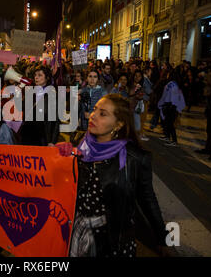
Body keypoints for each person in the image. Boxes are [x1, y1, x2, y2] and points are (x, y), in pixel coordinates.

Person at [55, 94, 169, 257]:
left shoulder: (135, 158)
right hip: (77, 231)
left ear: (118, 124)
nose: (93, 115)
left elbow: (147, 199)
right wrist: (61, 156)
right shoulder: (82, 142)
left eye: (103, 114)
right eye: (94, 110)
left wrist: (162, 237)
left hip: (112, 240)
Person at [20, 64, 60, 147]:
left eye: (40, 75)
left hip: (42, 136)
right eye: (35, 75)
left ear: (47, 78)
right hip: (28, 134)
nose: (36, 77)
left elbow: (55, 121)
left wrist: (52, 141)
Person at [157, 71, 186, 147]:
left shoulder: (171, 85)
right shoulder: (176, 84)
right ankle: (167, 136)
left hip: (171, 106)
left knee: (170, 124)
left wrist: (164, 104)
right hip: (173, 106)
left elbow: (168, 96)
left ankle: (174, 140)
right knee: (167, 123)